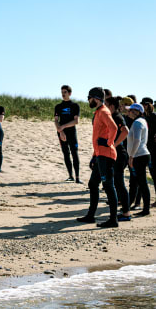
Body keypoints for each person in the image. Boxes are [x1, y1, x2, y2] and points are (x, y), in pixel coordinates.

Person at [77, 87, 118, 228]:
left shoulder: (104, 111)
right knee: (93, 184)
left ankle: (113, 220)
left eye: (89, 98)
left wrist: (108, 142)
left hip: (106, 155)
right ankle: (90, 216)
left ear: (96, 98)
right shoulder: (99, 112)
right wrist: (94, 156)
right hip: (100, 155)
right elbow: (98, 136)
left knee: (108, 186)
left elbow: (114, 128)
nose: (88, 100)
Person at [105, 97, 131, 221]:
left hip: (120, 154)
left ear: (111, 106)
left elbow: (125, 131)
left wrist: (113, 145)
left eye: (106, 104)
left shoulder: (117, 116)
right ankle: (124, 211)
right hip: (115, 154)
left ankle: (126, 213)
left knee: (119, 184)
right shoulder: (112, 116)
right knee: (116, 183)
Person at [127, 103, 152, 217]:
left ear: (136, 112)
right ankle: (141, 207)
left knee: (142, 183)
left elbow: (137, 140)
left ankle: (146, 210)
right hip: (142, 154)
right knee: (141, 183)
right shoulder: (142, 121)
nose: (128, 112)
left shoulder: (137, 123)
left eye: (130, 110)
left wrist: (131, 156)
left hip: (139, 155)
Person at [54, 85, 81, 183]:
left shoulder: (75, 106)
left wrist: (63, 127)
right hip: (61, 133)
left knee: (74, 153)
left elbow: (76, 121)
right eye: (62, 92)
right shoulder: (58, 106)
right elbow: (56, 120)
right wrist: (60, 131)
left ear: (69, 93)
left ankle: (77, 177)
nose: (63, 94)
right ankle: (70, 176)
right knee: (66, 153)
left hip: (71, 132)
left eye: (65, 92)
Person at [141, 98, 156, 207]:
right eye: (143, 104)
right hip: (145, 148)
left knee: (154, 175)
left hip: (153, 149)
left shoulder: (154, 116)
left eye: (146, 104)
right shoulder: (143, 117)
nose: (144, 106)